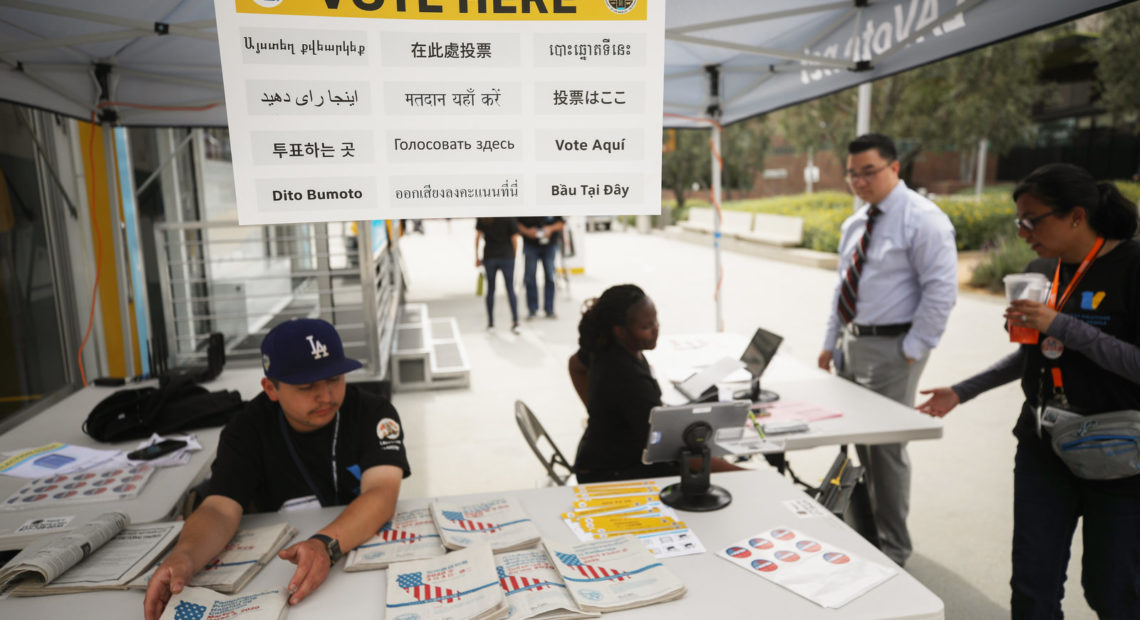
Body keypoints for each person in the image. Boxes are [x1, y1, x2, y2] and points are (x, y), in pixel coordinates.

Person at [917, 163, 1140, 619]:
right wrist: (962, 390)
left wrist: (1060, 325)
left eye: (1031, 220)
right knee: (1032, 590)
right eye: (1018, 221)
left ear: (1076, 216)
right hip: (1043, 447)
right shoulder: (1043, 270)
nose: (1022, 232)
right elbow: (1037, 354)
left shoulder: (1132, 267)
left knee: (1112, 591)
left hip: (1120, 454)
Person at [143, 318, 410, 619]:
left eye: (334, 379)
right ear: (271, 388)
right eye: (307, 386)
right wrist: (185, 556)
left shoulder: (374, 412)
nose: (325, 396)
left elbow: (382, 493)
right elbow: (219, 508)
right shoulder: (246, 429)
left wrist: (325, 545)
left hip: (356, 561)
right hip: (281, 576)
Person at [817, 133, 958, 566]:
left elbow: (941, 292)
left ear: (894, 168)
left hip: (894, 348)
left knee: (887, 452)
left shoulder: (924, 220)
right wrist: (830, 342)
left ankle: (894, 550)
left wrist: (911, 350)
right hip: (852, 344)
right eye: (853, 174)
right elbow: (844, 287)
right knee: (861, 446)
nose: (859, 181)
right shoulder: (857, 222)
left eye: (869, 171)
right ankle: (870, 533)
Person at [569, 284, 740, 483]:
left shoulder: (604, 346)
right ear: (620, 331)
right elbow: (671, 449)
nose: (656, 329)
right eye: (646, 327)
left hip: (599, 460)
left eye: (655, 320)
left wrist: (597, 412)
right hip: (611, 475)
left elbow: (575, 366)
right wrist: (744, 473)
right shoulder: (629, 380)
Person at [475, 217, 520, 333]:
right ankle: (515, 322)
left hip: (490, 256)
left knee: (490, 290)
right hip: (506, 256)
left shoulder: (484, 216)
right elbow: (514, 238)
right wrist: (513, 255)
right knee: (510, 289)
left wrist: (476, 256)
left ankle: (491, 323)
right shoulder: (508, 217)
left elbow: (478, 237)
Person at [517, 216, 565, 319]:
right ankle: (532, 309)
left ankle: (549, 309)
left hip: (549, 245)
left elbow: (561, 223)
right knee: (529, 278)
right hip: (530, 245)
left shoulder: (553, 202)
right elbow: (516, 223)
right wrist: (527, 231)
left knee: (550, 277)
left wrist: (550, 229)